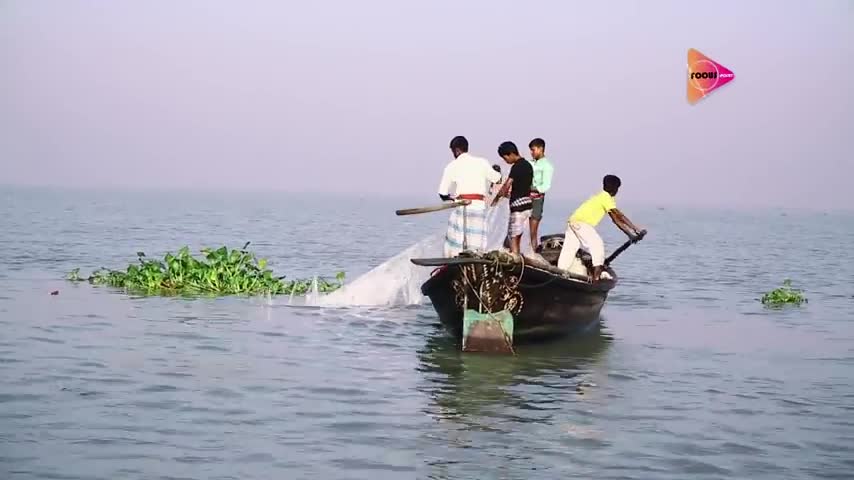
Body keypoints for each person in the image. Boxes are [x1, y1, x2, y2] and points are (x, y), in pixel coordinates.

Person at [557, 174, 645, 282]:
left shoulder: (604, 197)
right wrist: (634, 228)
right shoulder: (606, 197)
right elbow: (619, 215)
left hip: (573, 222)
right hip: (582, 224)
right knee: (597, 245)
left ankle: (559, 274)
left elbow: (615, 219)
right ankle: (596, 278)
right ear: (615, 189)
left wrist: (630, 233)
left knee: (570, 249)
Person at [437, 135, 502, 257]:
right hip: (478, 207)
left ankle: (453, 259)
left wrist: (451, 198)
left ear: (456, 150)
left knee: (456, 239)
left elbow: (442, 193)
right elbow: (498, 179)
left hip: (461, 207)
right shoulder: (482, 162)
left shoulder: (452, 166)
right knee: (476, 241)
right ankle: (477, 258)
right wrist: (497, 171)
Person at [494, 141, 534, 254]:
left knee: (513, 238)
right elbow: (523, 187)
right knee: (518, 236)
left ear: (511, 154)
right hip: (528, 206)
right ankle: (518, 256)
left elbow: (507, 185)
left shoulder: (516, 167)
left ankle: (515, 260)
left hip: (518, 208)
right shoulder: (528, 165)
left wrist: (497, 198)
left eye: (505, 157)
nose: (505, 161)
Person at [528, 138, 554, 251]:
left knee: (533, 231)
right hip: (526, 198)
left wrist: (530, 188)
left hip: (537, 200)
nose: (532, 153)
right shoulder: (530, 163)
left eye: (533, 150)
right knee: (518, 228)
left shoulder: (547, 166)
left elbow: (545, 187)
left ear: (541, 149)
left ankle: (533, 253)